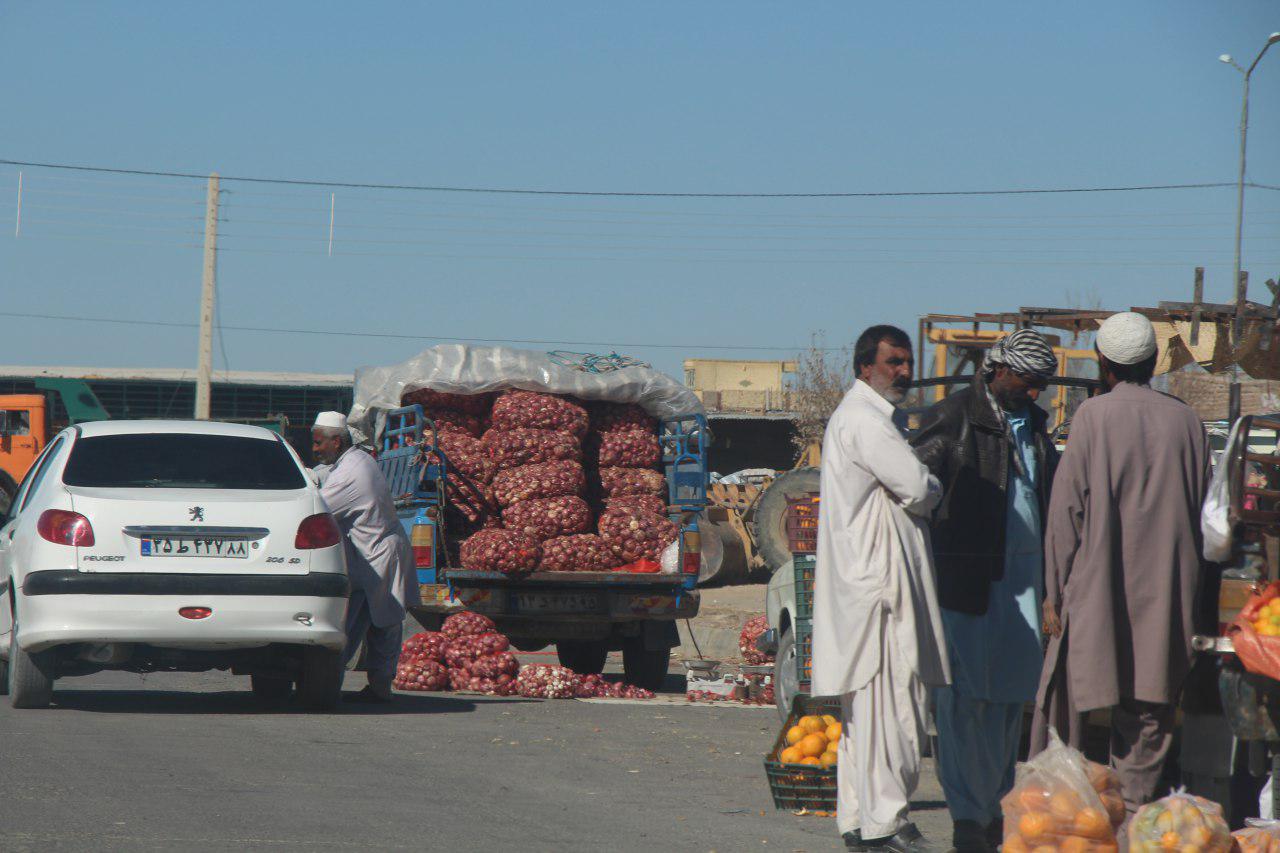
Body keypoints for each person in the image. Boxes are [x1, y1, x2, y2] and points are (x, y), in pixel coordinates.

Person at [1032, 312, 1211, 813]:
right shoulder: (1188, 422)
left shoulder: (1093, 416)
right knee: (1149, 709)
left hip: (1097, 590)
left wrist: (1053, 592)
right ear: (1154, 362)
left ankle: (1064, 815)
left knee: (1066, 695)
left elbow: (1066, 513)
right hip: (1166, 590)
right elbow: (1205, 515)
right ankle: (1133, 819)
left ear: (1103, 363)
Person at [910, 330, 1060, 853]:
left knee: (1008, 701)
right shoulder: (952, 416)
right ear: (998, 370)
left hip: (1025, 581)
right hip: (968, 581)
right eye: (1028, 380)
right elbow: (913, 485)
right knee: (963, 702)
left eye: (1041, 383)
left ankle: (996, 809)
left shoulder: (1037, 426)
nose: (1035, 392)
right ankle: (968, 819)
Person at [812, 325, 949, 853]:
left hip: (868, 588)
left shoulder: (862, 418)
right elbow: (917, 487)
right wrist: (932, 483)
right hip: (881, 593)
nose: (904, 372)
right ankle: (887, 823)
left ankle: (861, 821)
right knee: (893, 709)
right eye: (893, 362)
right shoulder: (866, 421)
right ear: (865, 366)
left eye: (907, 362)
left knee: (865, 717)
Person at [312, 411, 421, 703]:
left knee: (383, 625)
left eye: (319, 442)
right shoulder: (354, 460)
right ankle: (336, 684)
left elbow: (314, 511)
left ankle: (380, 688)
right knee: (354, 623)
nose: (315, 448)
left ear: (336, 441)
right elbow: (319, 476)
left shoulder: (350, 472)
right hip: (365, 558)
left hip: (377, 555)